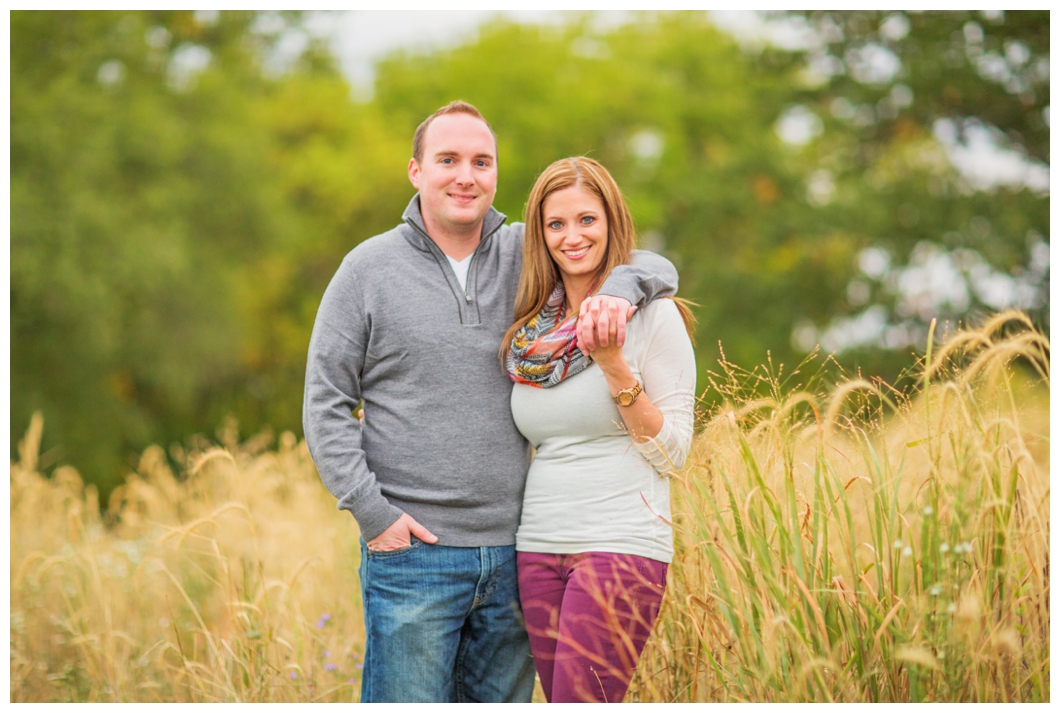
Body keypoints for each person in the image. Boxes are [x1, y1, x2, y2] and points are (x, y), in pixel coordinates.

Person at [302, 102, 679, 703]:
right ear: (415, 171)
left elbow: (644, 260)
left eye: (481, 161)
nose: (465, 176)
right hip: (412, 556)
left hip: (514, 553)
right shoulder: (366, 270)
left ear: (496, 174)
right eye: (447, 160)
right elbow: (325, 402)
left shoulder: (526, 256)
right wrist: (374, 516)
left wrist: (620, 291)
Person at [503, 157, 697, 703]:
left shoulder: (653, 317)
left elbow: (673, 453)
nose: (572, 237)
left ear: (612, 222)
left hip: (619, 542)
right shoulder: (533, 331)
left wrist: (613, 364)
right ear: (540, 235)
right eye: (555, 224)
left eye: (587, 220)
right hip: (537, 547)